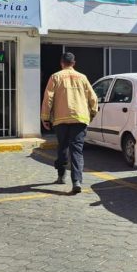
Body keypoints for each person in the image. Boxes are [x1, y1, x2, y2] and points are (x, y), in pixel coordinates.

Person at [41, 52, 98, 194]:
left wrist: (45, 117)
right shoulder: (83, 77)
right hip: (79, 119)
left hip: (61, 120)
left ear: (61, 63)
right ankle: (76, 181)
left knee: (62, 147)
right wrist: (92, 113)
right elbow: (93, 98)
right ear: (74, 63)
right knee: (77, 150)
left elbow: (48, 98)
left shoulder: (55, 77)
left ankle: (61, 175)